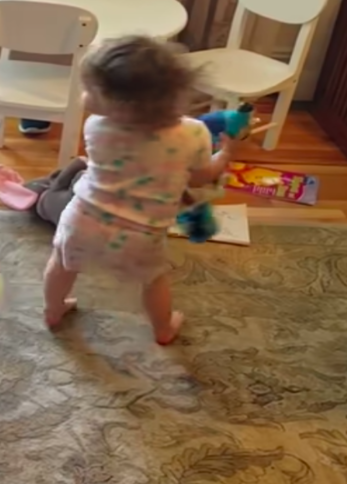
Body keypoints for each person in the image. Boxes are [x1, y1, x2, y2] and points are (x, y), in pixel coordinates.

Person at [42, 35, 246, 345]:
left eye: (89, 90)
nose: (84, 96)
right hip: (141, 234)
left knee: (62, 262)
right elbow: (201, 177)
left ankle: (53, 309)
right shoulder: (193, 133)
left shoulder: (96, 127)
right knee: (153, 281)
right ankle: (163, 330)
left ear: (118, 104)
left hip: (83, 221)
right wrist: (227, 154)